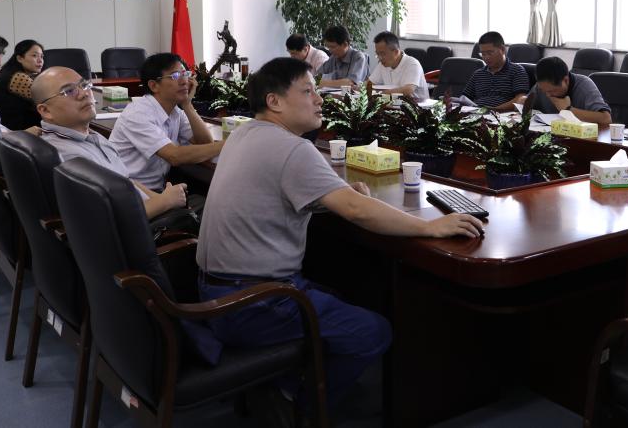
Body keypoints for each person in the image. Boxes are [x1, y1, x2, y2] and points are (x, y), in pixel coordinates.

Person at [196, 57, 482, 416]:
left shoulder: (242, 134)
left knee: (337, 292)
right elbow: (357, 211)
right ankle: (300, 404)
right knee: (373, 331)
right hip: (254, 305)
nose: (319, 99)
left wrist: (335, 193)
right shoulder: (293, 148)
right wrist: (430, 226)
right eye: (308, 91)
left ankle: (287, 380)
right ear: (274, 101)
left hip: (214, 294)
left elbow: (275, 192)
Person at [32, 67, 193, 223]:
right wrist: (166, 202)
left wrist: (161, 198)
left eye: (84, 85)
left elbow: (126, 179)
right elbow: (111, 218)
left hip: (146, 207)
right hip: (142, 231)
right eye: (69, 91)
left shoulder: (89, 136)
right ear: (46, 111)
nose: (84, 93)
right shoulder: (69, 157)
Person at [109, 52, 225, 191]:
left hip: (155, 190)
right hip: (128, 192)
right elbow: (174, 156)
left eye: (185, 74)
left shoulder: (175, 111)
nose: (184, 81)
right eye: (175, 76)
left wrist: (187, 104)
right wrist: (227, 144)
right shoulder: (138, 114)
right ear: (154, 86)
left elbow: (205, 143)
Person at [521, 56, 611, 124]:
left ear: (566, 80)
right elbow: (526, 106)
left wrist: (568, 109)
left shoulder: (584, 85)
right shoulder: (541, 86)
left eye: (552, 91)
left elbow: (606, 118)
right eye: (544, 91)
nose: (548, 95)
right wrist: (523, 103)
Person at [461, 31, 529, 111]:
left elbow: (520, 99)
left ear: (502, 49)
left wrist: (494, 110)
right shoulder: (478, 74)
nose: (486, 57)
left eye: (490, 53)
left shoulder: (517, 71)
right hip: (476, 114)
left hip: (502, 115)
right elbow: (464, 98)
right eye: (483, 54)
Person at [0, 39, 43, 131]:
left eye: (42, 56)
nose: (40, 60)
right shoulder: (18, 77)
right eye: (34, 55)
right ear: (19, 58)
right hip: (16, 130)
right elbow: (47, 98)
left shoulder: (10, 71)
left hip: (8, 125)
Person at [367, 30, 429, 100]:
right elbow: (369, 84)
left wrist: (381, 94)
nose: (380, 58)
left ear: (396, 52)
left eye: (383, 54)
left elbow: (408, 90)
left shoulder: (412, 64)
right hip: (394, 103)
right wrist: (358, 88)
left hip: (417, 104)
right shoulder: (383, 64)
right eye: (377, 54)